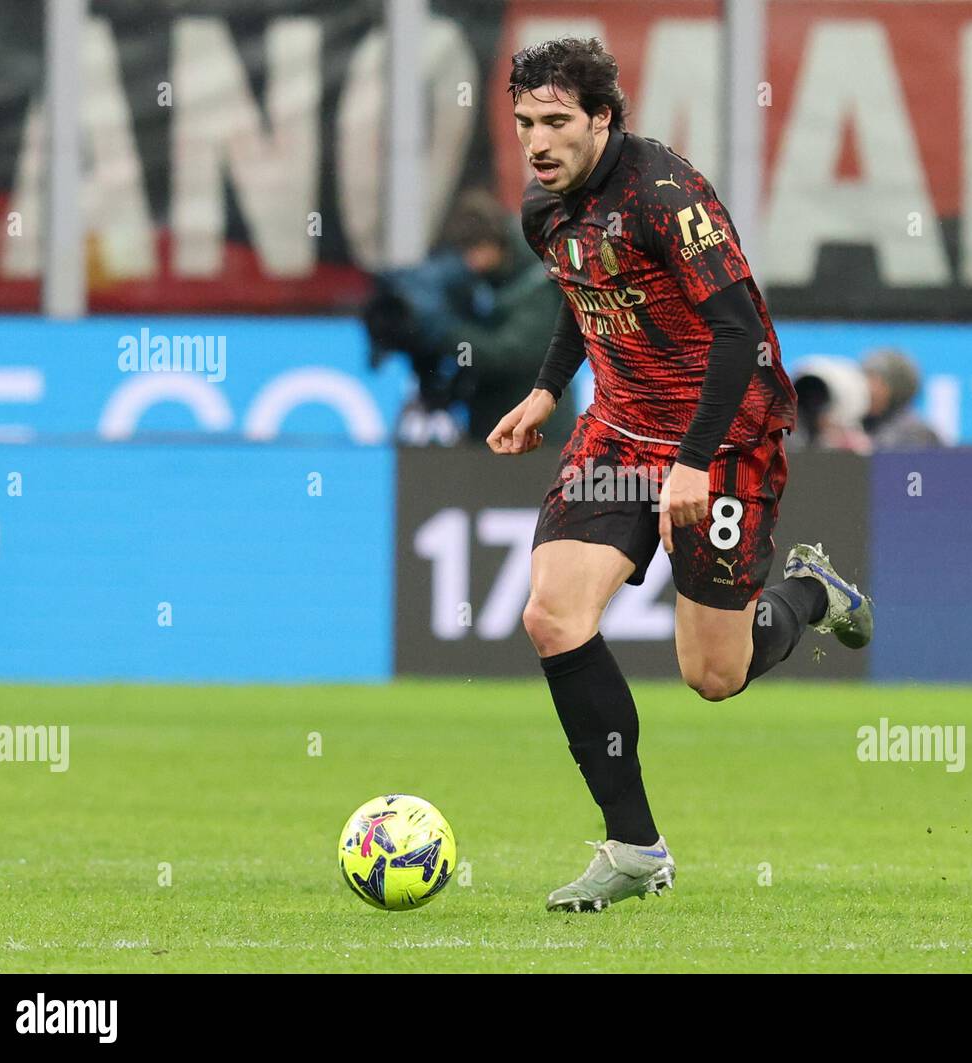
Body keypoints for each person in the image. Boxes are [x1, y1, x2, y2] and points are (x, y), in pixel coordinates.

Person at [485, 37, 875, 913]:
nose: (538, 143)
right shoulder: (545, 209)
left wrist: (696, 463)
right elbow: (582, 291)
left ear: (603, 120)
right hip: (619, 433)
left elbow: (738, 331)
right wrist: (548, 389)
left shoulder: (666, 195)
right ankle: (633, 847)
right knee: (552, 616)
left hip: (726, 434)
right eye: (523, 124)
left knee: (714, 675)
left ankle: (811, 593)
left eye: (556, 123)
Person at [364, 189, 571, 443]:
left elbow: (507, 354)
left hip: (541, 434)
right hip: (489, 427)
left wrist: (445, 332)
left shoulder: (538, 279)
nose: (471, 263)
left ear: (496, 243)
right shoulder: (478, 282)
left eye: (476, 251)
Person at [861, 349, 941, 450]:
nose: (867, 388)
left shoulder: (917, 434)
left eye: (875, 380)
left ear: (897, 389)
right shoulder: (857, 425)